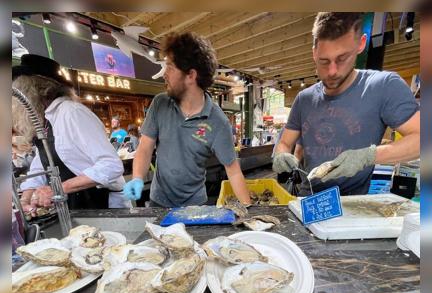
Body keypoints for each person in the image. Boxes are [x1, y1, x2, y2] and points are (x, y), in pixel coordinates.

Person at [272, 12, 420, 196]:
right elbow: (285, 142)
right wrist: (281, 154)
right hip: (307, 200)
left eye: (342, 58)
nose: (332, 71)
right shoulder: (304, 98)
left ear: (361, 44)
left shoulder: (383, 86)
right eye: (324, 61)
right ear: (314, 53)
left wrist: (367, 156)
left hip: (352, 208)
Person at [123, 32, 251, 207]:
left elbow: (234, 171)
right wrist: (137, 177)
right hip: (158, 202)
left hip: (195, 206)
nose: (164, 74)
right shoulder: (160, 104)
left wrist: (249, 211)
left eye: (170, 67)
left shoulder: (218, 121)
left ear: (191, 75)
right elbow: (145, 148)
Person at [12, 54, 130, 213]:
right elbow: (42, 164)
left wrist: (57, 188)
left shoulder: (71, 113)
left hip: (102, 202)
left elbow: (111, 165)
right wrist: (26, 198)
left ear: (32, 90)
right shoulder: (46, 122)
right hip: (76, 203)